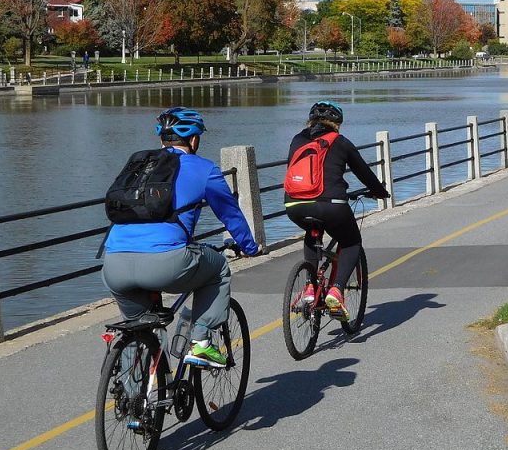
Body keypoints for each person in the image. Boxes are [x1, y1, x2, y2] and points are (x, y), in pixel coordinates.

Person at [101, 106, 261, 368]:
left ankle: (134, 402)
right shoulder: (204, 168)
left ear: (161, 139)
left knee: (138, 329)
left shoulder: (139, 166)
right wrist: (250, 247)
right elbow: (230, 215)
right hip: (166, 263)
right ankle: (202, 344)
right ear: (194, 139)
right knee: (218, 268)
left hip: (114, 263)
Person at [284, 101, 389, 321]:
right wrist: (380, 192)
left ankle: (310, 289)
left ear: (310, 121)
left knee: (312, 231)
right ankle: (336, 290)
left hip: (294, 204)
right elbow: (364, 173)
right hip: (331, 204)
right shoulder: (341, 142)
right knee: (351, 242)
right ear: (337, 124)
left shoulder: (297, 140)